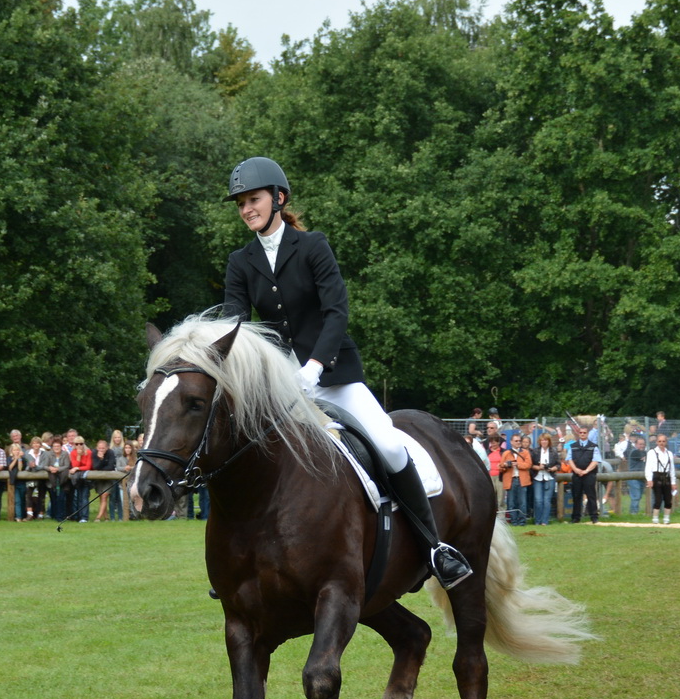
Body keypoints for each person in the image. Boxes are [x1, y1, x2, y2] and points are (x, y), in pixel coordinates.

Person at [221, 156, 469, 587]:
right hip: (280, 389)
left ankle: (434, 548)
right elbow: (234, 326)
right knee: (243, 456)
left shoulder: (312, 245)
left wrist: (314, 367)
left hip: (332, 377)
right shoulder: (240, 263)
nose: (247, 209)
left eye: (253, 199)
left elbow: (337, 312)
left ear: (279, 198)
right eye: (240, 203)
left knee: (390, 448)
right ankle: (242, 556)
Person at [567, 428, 599, 524]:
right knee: (576, 496)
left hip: (589, 475)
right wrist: (576, 470)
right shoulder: (573, 446)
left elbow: (595, 461)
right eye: (580, 433)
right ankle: (576, 517)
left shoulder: (593, 446)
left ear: (587, 434)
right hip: (576, 475)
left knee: (591, 496)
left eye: (584, 433)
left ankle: (594, 517)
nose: (582, 434)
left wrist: (586, 471)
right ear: (578, 434)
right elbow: (569, 459)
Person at [644, 433, 676, 525]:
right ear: (656, 442)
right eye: (659, 441)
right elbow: (648, 467)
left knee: (668, 498)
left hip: (666, 476)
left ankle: (666, 518)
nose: (661, 443)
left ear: (666, 442)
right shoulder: (652, 452)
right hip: (656, 476)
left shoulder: (669, 453)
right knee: (658, 498)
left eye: (663, 441)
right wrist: (649, 479)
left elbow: (672, 468)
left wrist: (673, 482)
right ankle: (655, 518)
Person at [501, 432, 532, 524]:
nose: (518, 442)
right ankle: (513, 521)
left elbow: (528, 465)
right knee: (511, 503)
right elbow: (500, 466)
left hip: (522, 479)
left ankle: (522, 521)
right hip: (511, 480)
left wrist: (517, 464)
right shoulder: (506, 453)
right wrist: (506, 465)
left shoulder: (525, 452)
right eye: (516, 441)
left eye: (519, 441)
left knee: (522, 503)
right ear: (511, 442)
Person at [533, 431, 561, 525]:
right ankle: (538, 520)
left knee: (547, 500)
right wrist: (538, 467)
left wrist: (553, 468)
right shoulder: (535, 451)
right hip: (538, 477)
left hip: (549, 477)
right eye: (542, 440)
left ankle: (545, 521)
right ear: (539, 441)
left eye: (545, 440)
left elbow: (558, 465)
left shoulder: (553, 451)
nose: (544, 442)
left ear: (549, 441)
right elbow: (531, 465)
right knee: (538, 500)